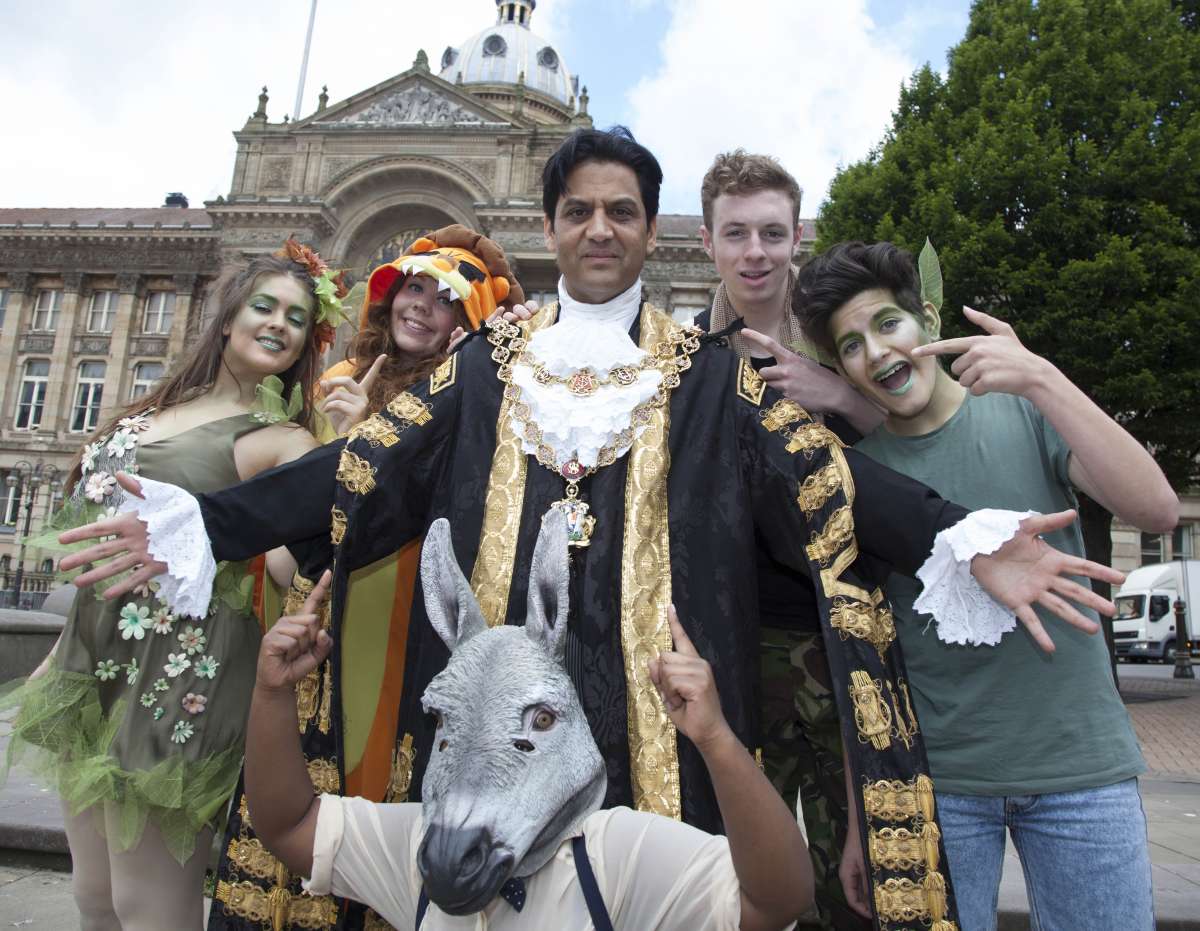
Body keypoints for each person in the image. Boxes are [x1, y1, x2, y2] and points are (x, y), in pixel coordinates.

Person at [60, 128, 1123, 928]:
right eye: (579, 210)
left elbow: (826, 477)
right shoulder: (486, 367)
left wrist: (959, 536)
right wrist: (211, 524)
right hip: (496, 726)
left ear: (647, 228)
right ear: (554, 227)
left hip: (672, 726)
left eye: (621, 210)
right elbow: (360, 472)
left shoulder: (708, 377)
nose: (600, 228)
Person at [792, 240, 1177, 931]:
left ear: (928, 316)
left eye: (887, 324)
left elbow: (1156, 509)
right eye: (851, 345)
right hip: (941, 790)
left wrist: (1041, 377)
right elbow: (863, 660)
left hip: (1081, 774)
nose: (877, 355)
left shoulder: (1026, 412)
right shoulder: (857, 478)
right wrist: (860, 818)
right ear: (840, 367)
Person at [243, 514, 814, 930]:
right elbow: (290, 825)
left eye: (538, 719)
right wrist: (272, 693)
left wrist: (713, 738)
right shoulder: (420, 849)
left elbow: (774, 900)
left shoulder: (613, 855)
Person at [1, 242, 338, 931]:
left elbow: (289, 566)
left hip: (182, 676)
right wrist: (60, 652)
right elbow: (104, 553)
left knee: (148, 906)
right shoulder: (154, 408)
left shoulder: (283, 441)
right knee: (94, 896)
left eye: (297, 318)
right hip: (94, 660)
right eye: (265, 306)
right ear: (226, 318)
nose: (278, 323)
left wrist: (348, 443)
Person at [207, 227, 522, 931]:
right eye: (414, 287)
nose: (422, 307)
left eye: (446, 301)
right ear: (388, 297)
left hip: (400, 616)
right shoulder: (339, 380)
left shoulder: (467, 405)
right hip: (317, 609)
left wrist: (355, 446)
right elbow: (293, 534)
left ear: (465, 326)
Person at [697, 150, 877, 930]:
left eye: (772, 232)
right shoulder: (684, 360)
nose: (755, 252)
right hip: (733, 651)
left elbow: (918, 438)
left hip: (844, 650)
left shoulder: (846, 336)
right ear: (708, 242)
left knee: (858, 888)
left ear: (798, 234)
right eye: (736, 233)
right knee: (738, 887)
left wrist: (838, 393)